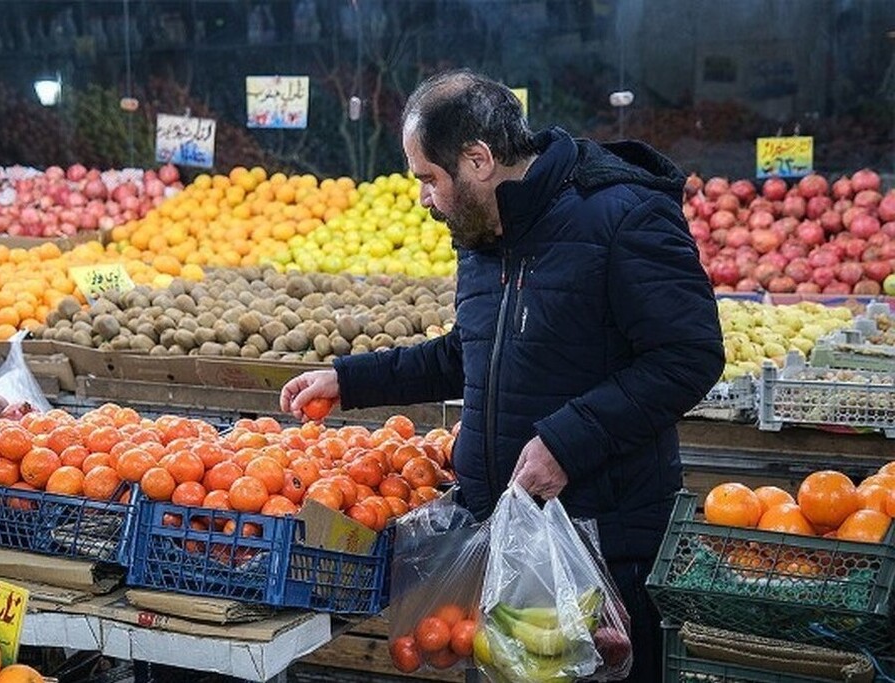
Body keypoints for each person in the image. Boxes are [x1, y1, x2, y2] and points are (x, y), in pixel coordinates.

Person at [280, 69, 724, 682]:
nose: (424, 198)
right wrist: (351, 381)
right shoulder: (486, 236)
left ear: (478, 159)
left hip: (602, 544)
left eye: (429, 179)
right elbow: (473, 352)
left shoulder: (622, 216)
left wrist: (568, 441)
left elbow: (688, 356)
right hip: (509, 543)